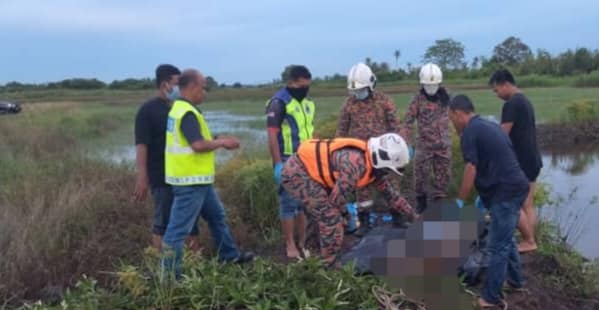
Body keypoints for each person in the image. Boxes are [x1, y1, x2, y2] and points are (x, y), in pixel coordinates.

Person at [162, 69, 255, 277]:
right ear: (193, 87)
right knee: (177, 231)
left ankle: (229, 256)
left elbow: (196, 137)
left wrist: (217, 137)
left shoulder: (182, 109)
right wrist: (222, 142)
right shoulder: (186, 112)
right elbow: (197, 144)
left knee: (217, 216)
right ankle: (168, 279)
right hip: (190, 182)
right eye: (203, 87)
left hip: (199, 180)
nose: (204, 92)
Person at [281, 133, 416, 267]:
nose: (387, 173)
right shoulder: (355, 165)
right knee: (330, 217)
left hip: (315, 176)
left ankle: (312, 251)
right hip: (298, 173)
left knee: (324, 214)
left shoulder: (373, 167)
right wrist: (344, 216)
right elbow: (335, 201)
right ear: (383, 160)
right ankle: (328, 266)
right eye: (388, 169)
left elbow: (393, 197)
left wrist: (415, 217)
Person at [449, 95, 529, 308]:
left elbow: (470, 168)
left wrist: (460, 201)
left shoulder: (470, 133)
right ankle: (517, 282)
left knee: (496, 246)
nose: (452, 123)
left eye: (451, 118)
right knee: (506, 238)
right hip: (515, 186)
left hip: (506, 191)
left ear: (458, 114)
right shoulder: (489, 125)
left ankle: (491, 297)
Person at [133, 64, 198, 250]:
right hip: (161, 176)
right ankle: (161, 268)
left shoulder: (181, 107)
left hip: (184, 176)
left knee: (190, 224)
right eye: (178, 83)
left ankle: (194, 269)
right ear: (165, 84)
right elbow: (141, 145)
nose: (181, 87)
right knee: (162, 223)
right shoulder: (147, 111)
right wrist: (142, 176)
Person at [336, 62, 403, 232]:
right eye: (355, 90)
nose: (359, 93)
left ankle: (398, 217)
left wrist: (401, 147)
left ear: (371, 84)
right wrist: (337, 153)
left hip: (383, 154)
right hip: (360, 155)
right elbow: (341, 130)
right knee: (362, 189)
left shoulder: (384, 101)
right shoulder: (349, 104)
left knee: (391, 186)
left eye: (361, 89)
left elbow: (395, 126)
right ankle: (364, 223)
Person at [489, 69, 543, 253]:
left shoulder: (512, 104)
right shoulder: (525, 100)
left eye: (496, 91)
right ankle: (530, 239)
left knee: (514, 201)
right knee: (527, 203)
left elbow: (502, 135)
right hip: (533, 159)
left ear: (505, 84)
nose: (497, 95)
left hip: (521, 162)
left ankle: (529, 240)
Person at [266, 65, 315, 259]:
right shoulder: (278, 103)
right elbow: (271, 136)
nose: (304, 89)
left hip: (307, 157)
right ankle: (290, 244)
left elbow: (309, 130)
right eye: (301, 85)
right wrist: (278, 164)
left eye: (307, 86)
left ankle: (303, 241)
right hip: (287, 158)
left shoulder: (307, 103)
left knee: (303, 202)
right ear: (292, 82)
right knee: (288, 203)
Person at [402, 63, 451, 214]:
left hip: (443, 146)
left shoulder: (446, 96)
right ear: (422, 84)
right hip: (424, 146)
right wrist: (406, 142)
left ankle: (439, 208)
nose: (431, 88)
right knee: (420, 178)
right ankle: (421, 206)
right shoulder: (417, 99)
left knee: (442, 180)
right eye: (428, 85)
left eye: (434, 85)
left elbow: (457, 114)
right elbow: (408, 122)